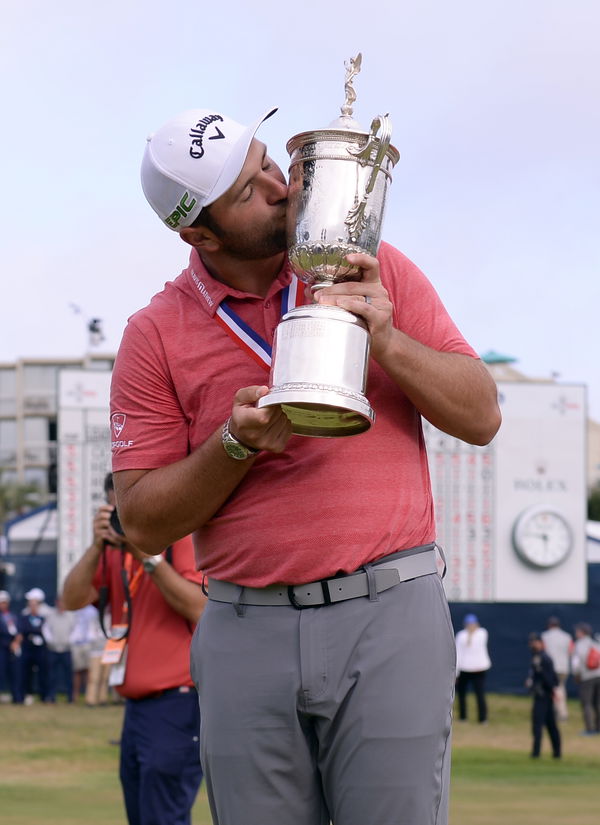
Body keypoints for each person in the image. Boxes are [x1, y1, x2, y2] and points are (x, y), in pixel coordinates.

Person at [109, 105, 501, 825]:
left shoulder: (371, 262)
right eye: (247, 188)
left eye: (265, 158)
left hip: (390, 606)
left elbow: (481, 415)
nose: (279, 183)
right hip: (244, 624)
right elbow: (139, 518)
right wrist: (234, 446)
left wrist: (388, 340)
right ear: (198, 233)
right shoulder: (154, 333)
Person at [62, 473, 206, 825]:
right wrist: (97, 546)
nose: (126, 516)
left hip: (177, 700)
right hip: (136, 706)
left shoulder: (180, 538)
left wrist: (150, 557)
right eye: (118, 508)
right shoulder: (114, 552)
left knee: (164, 815)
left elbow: (200, 609)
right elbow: (72, 598)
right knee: (141, 815)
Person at [526, 632, 561, 758]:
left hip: (543, 695)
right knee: (550, 724)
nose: (531, 645)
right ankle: (556, 753)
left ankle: (536, 753)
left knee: (538, 724)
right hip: (543, 695)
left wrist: (552, 690)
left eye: (533, 642)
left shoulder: (543, 658)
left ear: (539, 642)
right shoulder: (538, 657)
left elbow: (550, 678)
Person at [455, 613, 492, 723]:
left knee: (480, 694)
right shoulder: (461, 635)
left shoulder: (482, 633)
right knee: (461, 695)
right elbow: (459, 653)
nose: (471, 626)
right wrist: (456, 673)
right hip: (464, 669)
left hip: (479, 669)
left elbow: (478, 641)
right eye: (469, 624)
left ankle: (483, 718)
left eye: (473, 623)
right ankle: (463, 717)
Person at [17, 588, 50, 704]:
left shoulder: (46, 614)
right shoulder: (25, 614)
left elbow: (48, 632)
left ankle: (44, 696)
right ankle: (26, 695)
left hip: (41, 649)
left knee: (43, 673)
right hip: (27, 648)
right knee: (26, 673)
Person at [43, 595, 76, 703]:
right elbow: (46, 629)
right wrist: (51, 640)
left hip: (66, 649)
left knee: (68, 675)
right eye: (59, 602)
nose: (61, 604)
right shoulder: (51, 615)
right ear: (56, 602)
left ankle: (70, 697)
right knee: (52, 675)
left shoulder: (71, 615)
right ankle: (51, 696)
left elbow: (75, 630)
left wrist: (70, 640)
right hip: (53, 649)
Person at [541, 616, 572, 721]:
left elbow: (543, 651)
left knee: (555, 690)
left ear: (550, 625)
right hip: (564, 667)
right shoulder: (567, 636)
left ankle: (561, 714)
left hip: (551, 668)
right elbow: (571, 651)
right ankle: (555, 713)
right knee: (560, 689)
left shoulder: (545, 636)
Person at [571, 622, 600, 735]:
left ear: (582, 632)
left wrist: (576, 675)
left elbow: (576, 663)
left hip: (587, 676)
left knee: (586, 703)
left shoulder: (579, 644)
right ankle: (598, 727)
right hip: (599, 675)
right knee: (598, 702)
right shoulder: (596, 643)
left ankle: (589, 729)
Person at [0, 590, 21, 703]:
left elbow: (19, 631)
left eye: (5, 602)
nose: (3, 604)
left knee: (15, 673)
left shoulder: (13, 616)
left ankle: (17, 697)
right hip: (2, 648)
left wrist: (16, 642)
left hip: (13, 648)